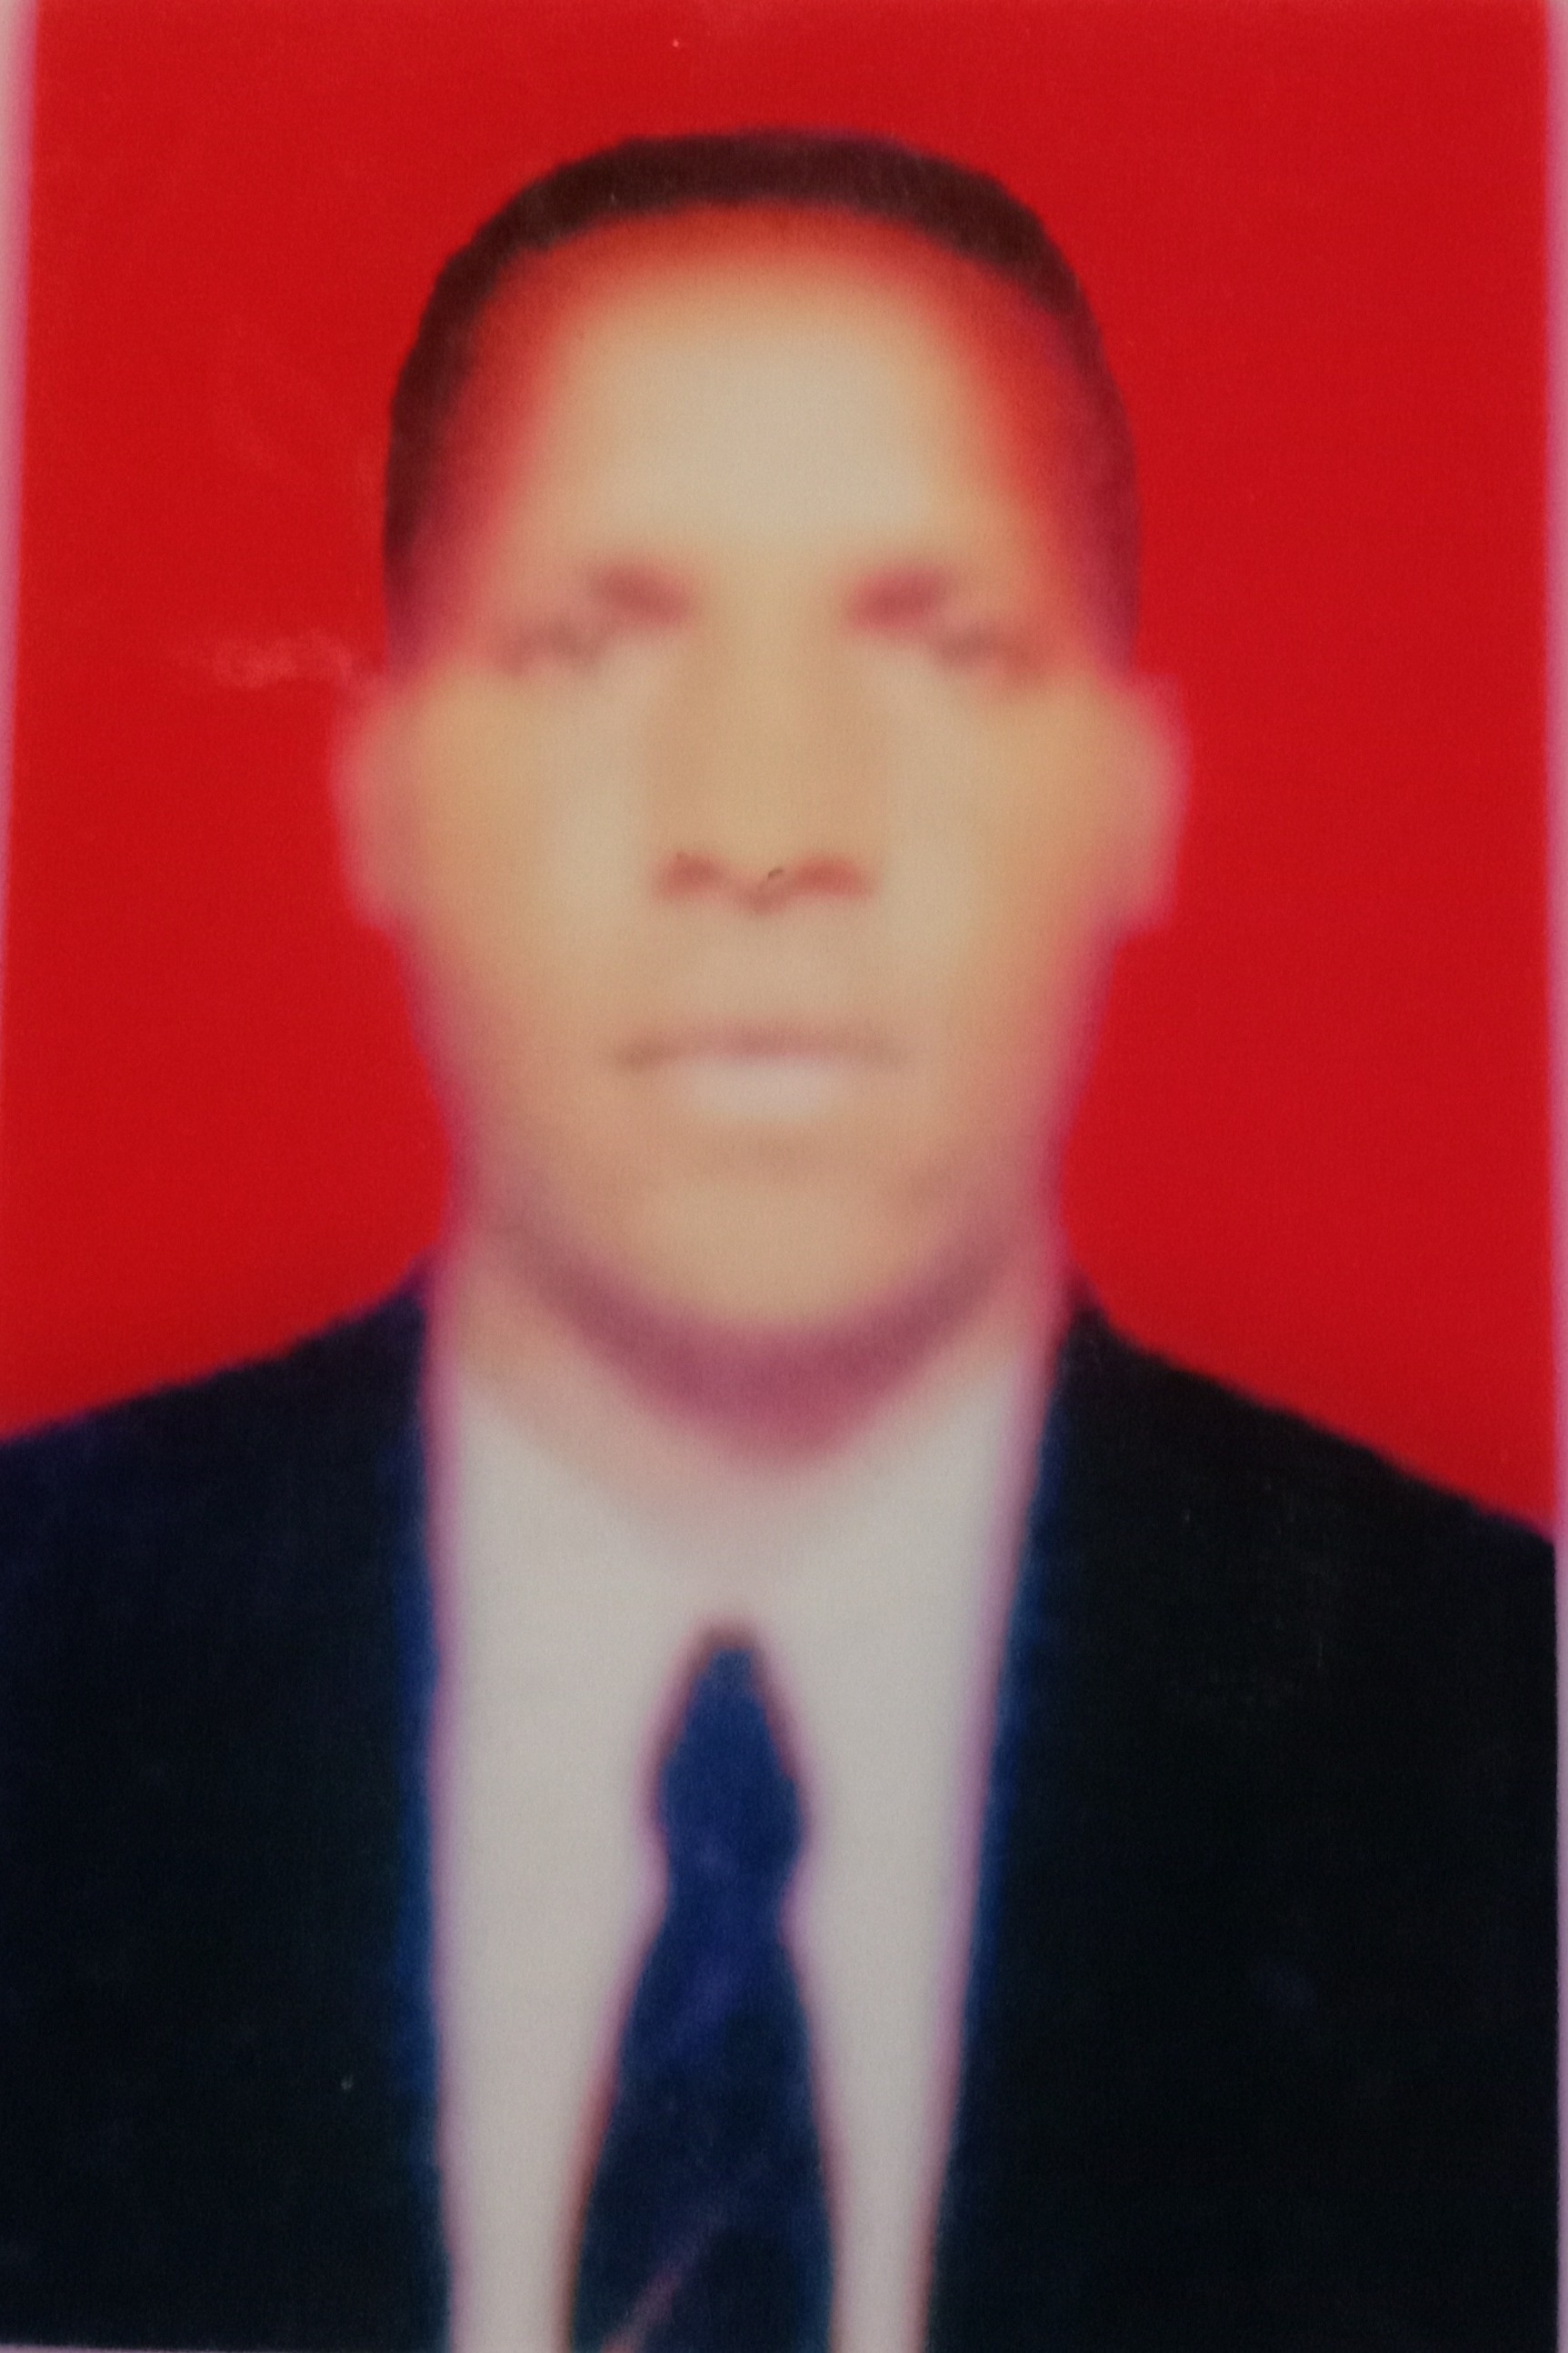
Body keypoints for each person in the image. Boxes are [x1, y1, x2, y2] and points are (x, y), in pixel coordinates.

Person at [0, 131, 1553, 2353]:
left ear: (1136, 795)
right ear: (378, 787)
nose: (759, 826)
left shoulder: (1496, 1751)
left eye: (938, 646)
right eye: (590, 645)